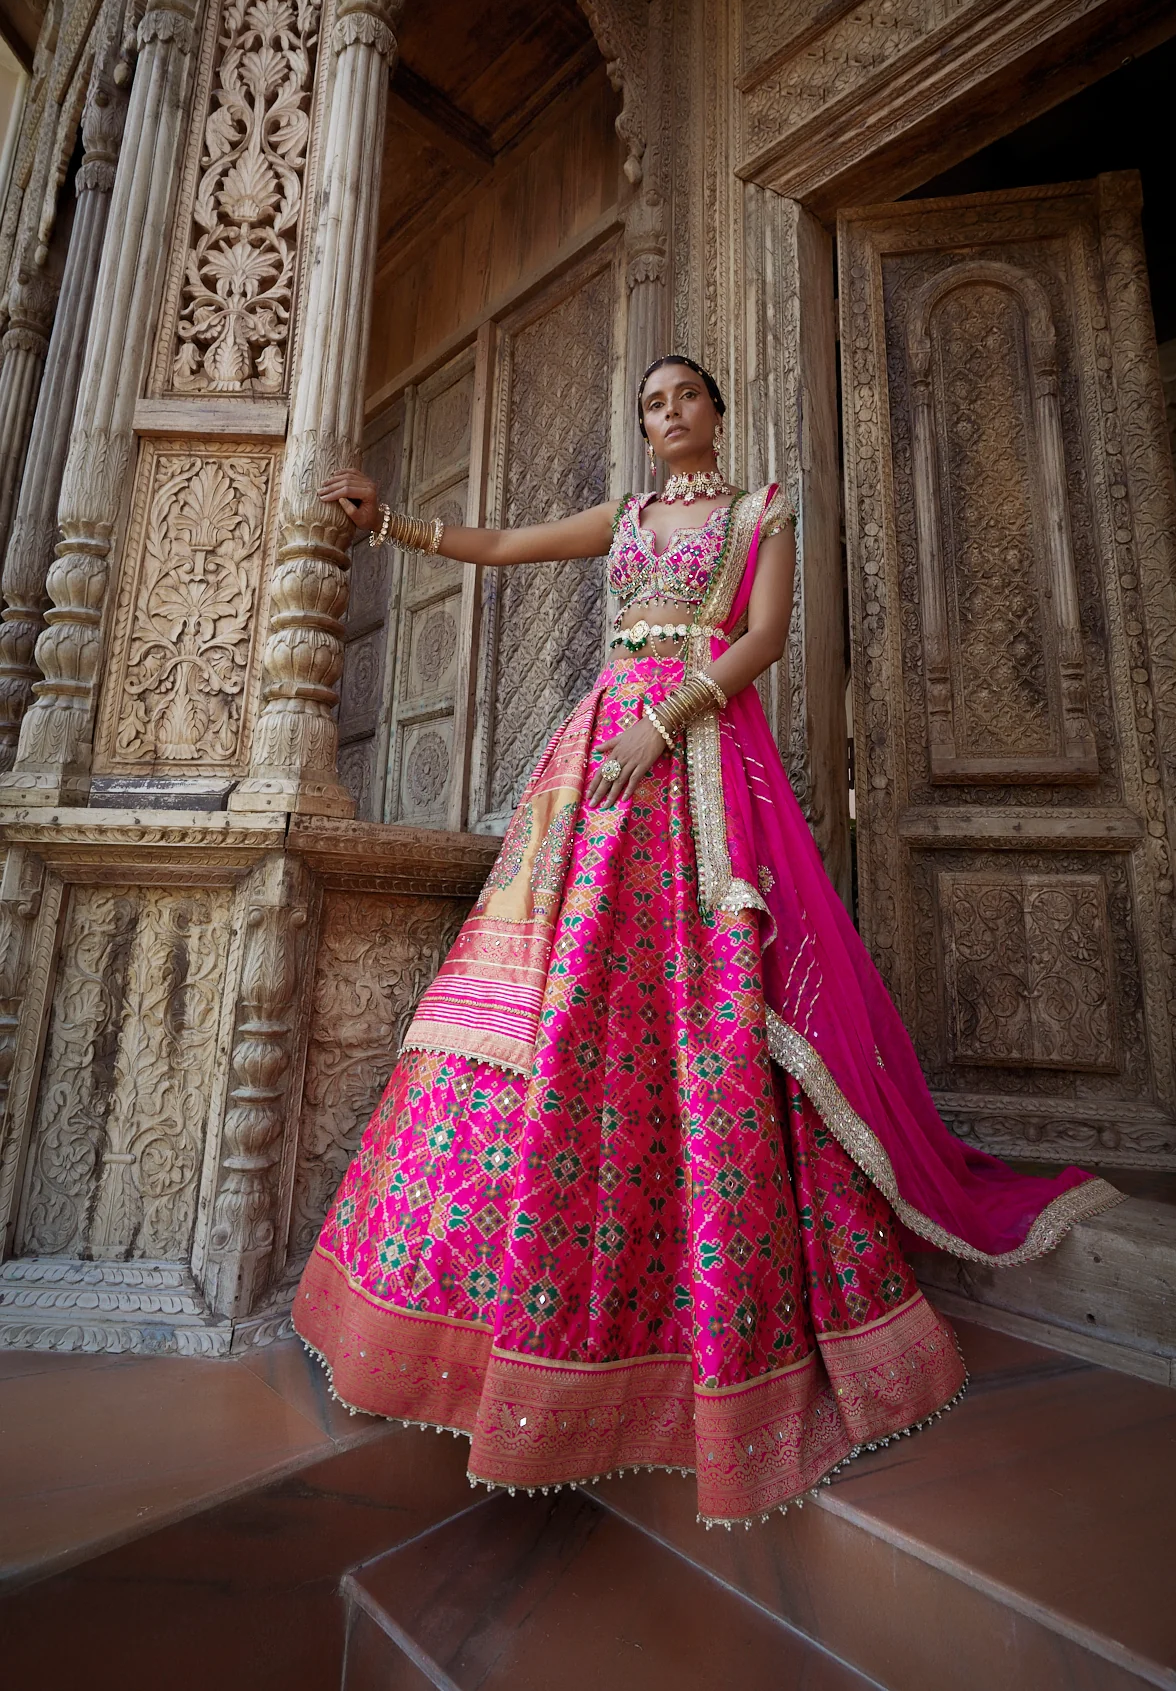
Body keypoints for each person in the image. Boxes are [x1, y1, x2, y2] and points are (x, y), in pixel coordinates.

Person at [293, 354, 1120, 1526]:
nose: (665, 414)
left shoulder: (758, 511)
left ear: (714, 412)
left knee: (711, 984)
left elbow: (763, 639)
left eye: (681, 396)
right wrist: (397, 527)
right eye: (647, 403)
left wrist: (664, 725)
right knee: (564, 978)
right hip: (599, 753)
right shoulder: (625, 518)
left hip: (692, 753)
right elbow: (508, 546)